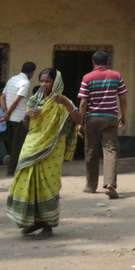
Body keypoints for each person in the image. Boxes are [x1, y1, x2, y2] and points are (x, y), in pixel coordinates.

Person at [6, 69, 83, 240]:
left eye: (47, 81)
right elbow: (27, 125)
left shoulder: (62, 101)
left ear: (55, 83)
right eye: (41, 81)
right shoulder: (34, 100)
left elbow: (79, 119)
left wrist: (67, 104)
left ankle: (47, 225)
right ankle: (33, 222)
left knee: (46, 185)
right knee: (25, 181)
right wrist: (26, 115)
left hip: (52, 149)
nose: (43, 84)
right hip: (31, 145)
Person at [77, 50, 128, 199]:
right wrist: (123, 116)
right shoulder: (116, 76)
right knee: (111, 150)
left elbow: (83, 102)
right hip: (110, 117)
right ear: (107, 62)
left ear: (93, 62)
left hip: (92, 118)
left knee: (91, 151)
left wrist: (80, 123)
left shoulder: (87, 77)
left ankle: (91, 186)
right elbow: (123, 99)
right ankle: (110, 184)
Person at [0, 61, 35, 175]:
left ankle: (15, 169)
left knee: (13, 145)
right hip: (19, 118)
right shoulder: (25, 82)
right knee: (18, 146)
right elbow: (16, 100)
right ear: (32, 73)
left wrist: (5, 111)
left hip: (10, 119)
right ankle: (12, 170)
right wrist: (7, 113)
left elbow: (2, 96)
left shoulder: (12, 79)